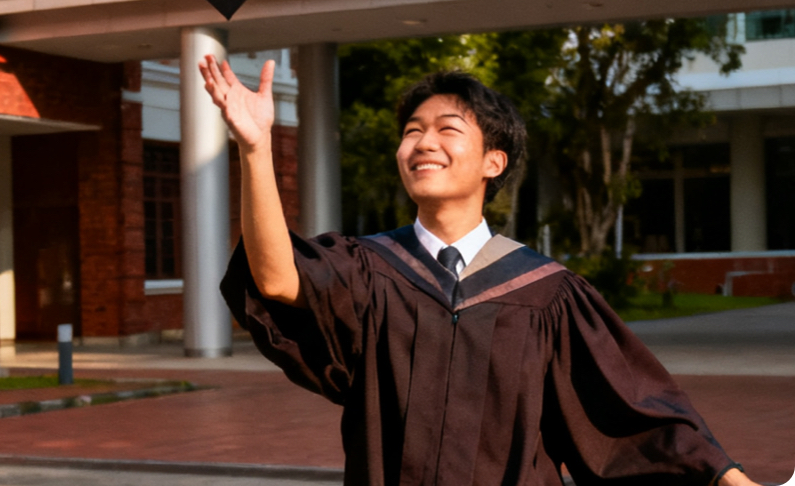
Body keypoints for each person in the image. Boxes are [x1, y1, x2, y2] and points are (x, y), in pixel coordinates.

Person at [198, 55, 760, 486]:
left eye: (448, 129)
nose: (424, 142)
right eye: (412, 130)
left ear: (495, 162)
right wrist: (255, 148)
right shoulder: (367, 269)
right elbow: (276, 279)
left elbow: (636, 412)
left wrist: (731, 480)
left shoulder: (547, 294)